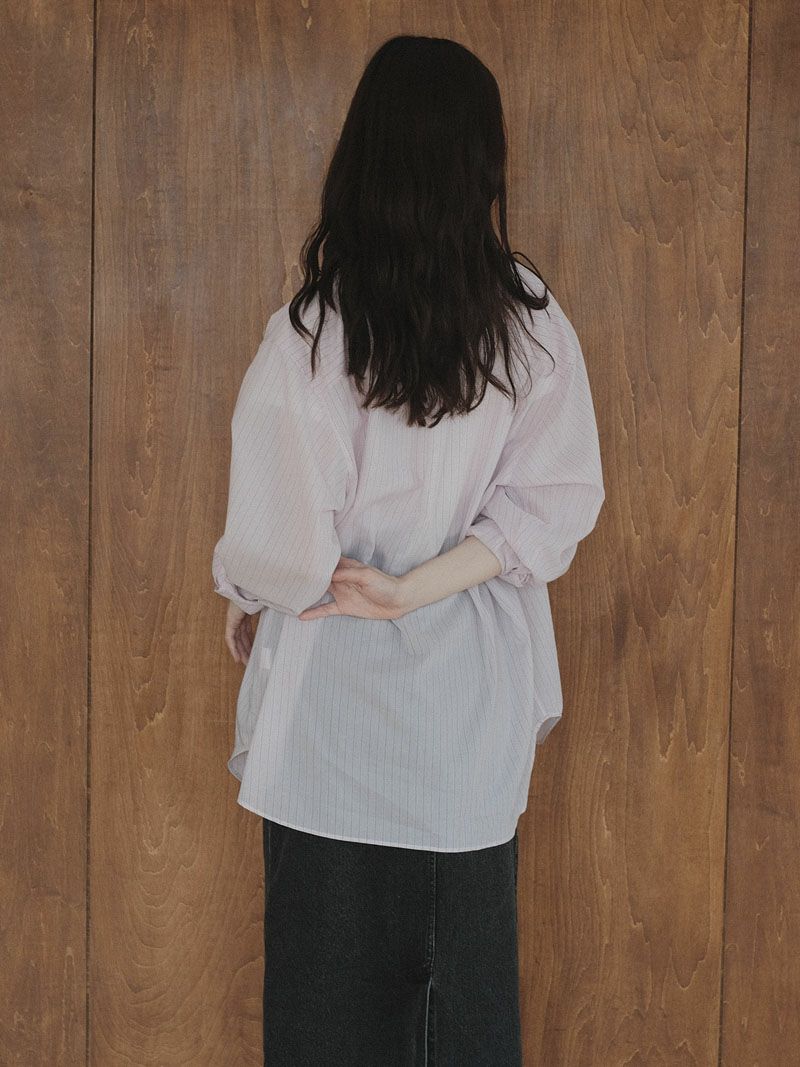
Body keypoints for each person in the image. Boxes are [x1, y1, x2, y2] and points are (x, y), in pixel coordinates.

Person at [212, 33, 605, 1067]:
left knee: (326, 1026)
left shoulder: (312, 332)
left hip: (330, 731)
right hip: (463, 729)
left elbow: (280, 548)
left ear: (362, 155)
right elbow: (552, 505)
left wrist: (251, 596)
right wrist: (415, 588)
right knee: (459, 1023)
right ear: (481, 164)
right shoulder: (528, 323)